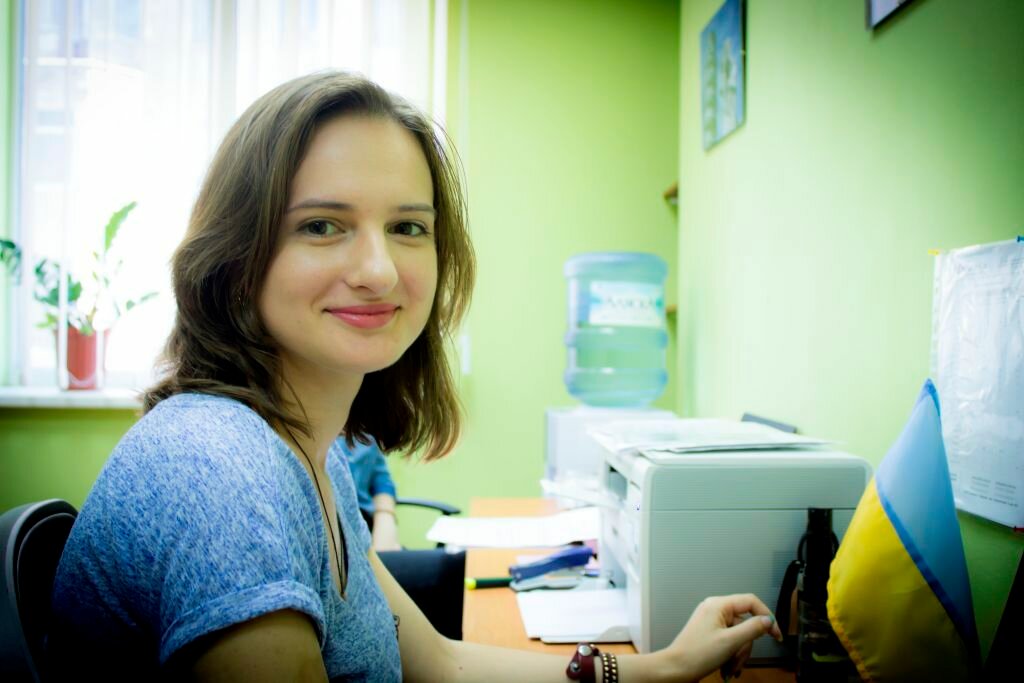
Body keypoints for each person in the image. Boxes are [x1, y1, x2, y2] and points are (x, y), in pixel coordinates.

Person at [49, 71, 782, 681]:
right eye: (322, 225)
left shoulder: (314, 457)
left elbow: (441, 663)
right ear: (237, 258)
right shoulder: (223, 472)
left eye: (408, 227)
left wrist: (662, 665)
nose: (379, 271)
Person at [341, 438, 402, 551]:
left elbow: (381, 480)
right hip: (340, 530)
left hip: (369, 524)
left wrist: (385, 518)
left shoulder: (367, 435)